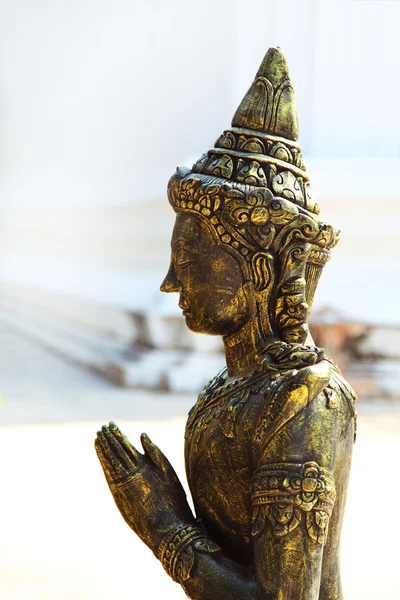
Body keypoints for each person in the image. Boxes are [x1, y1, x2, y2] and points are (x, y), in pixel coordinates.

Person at [95, 47, 357, 600]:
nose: (172, 282)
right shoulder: (234, 388)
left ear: (260, 268)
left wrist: (163, 526)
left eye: (190, 261)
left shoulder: (303, 404)